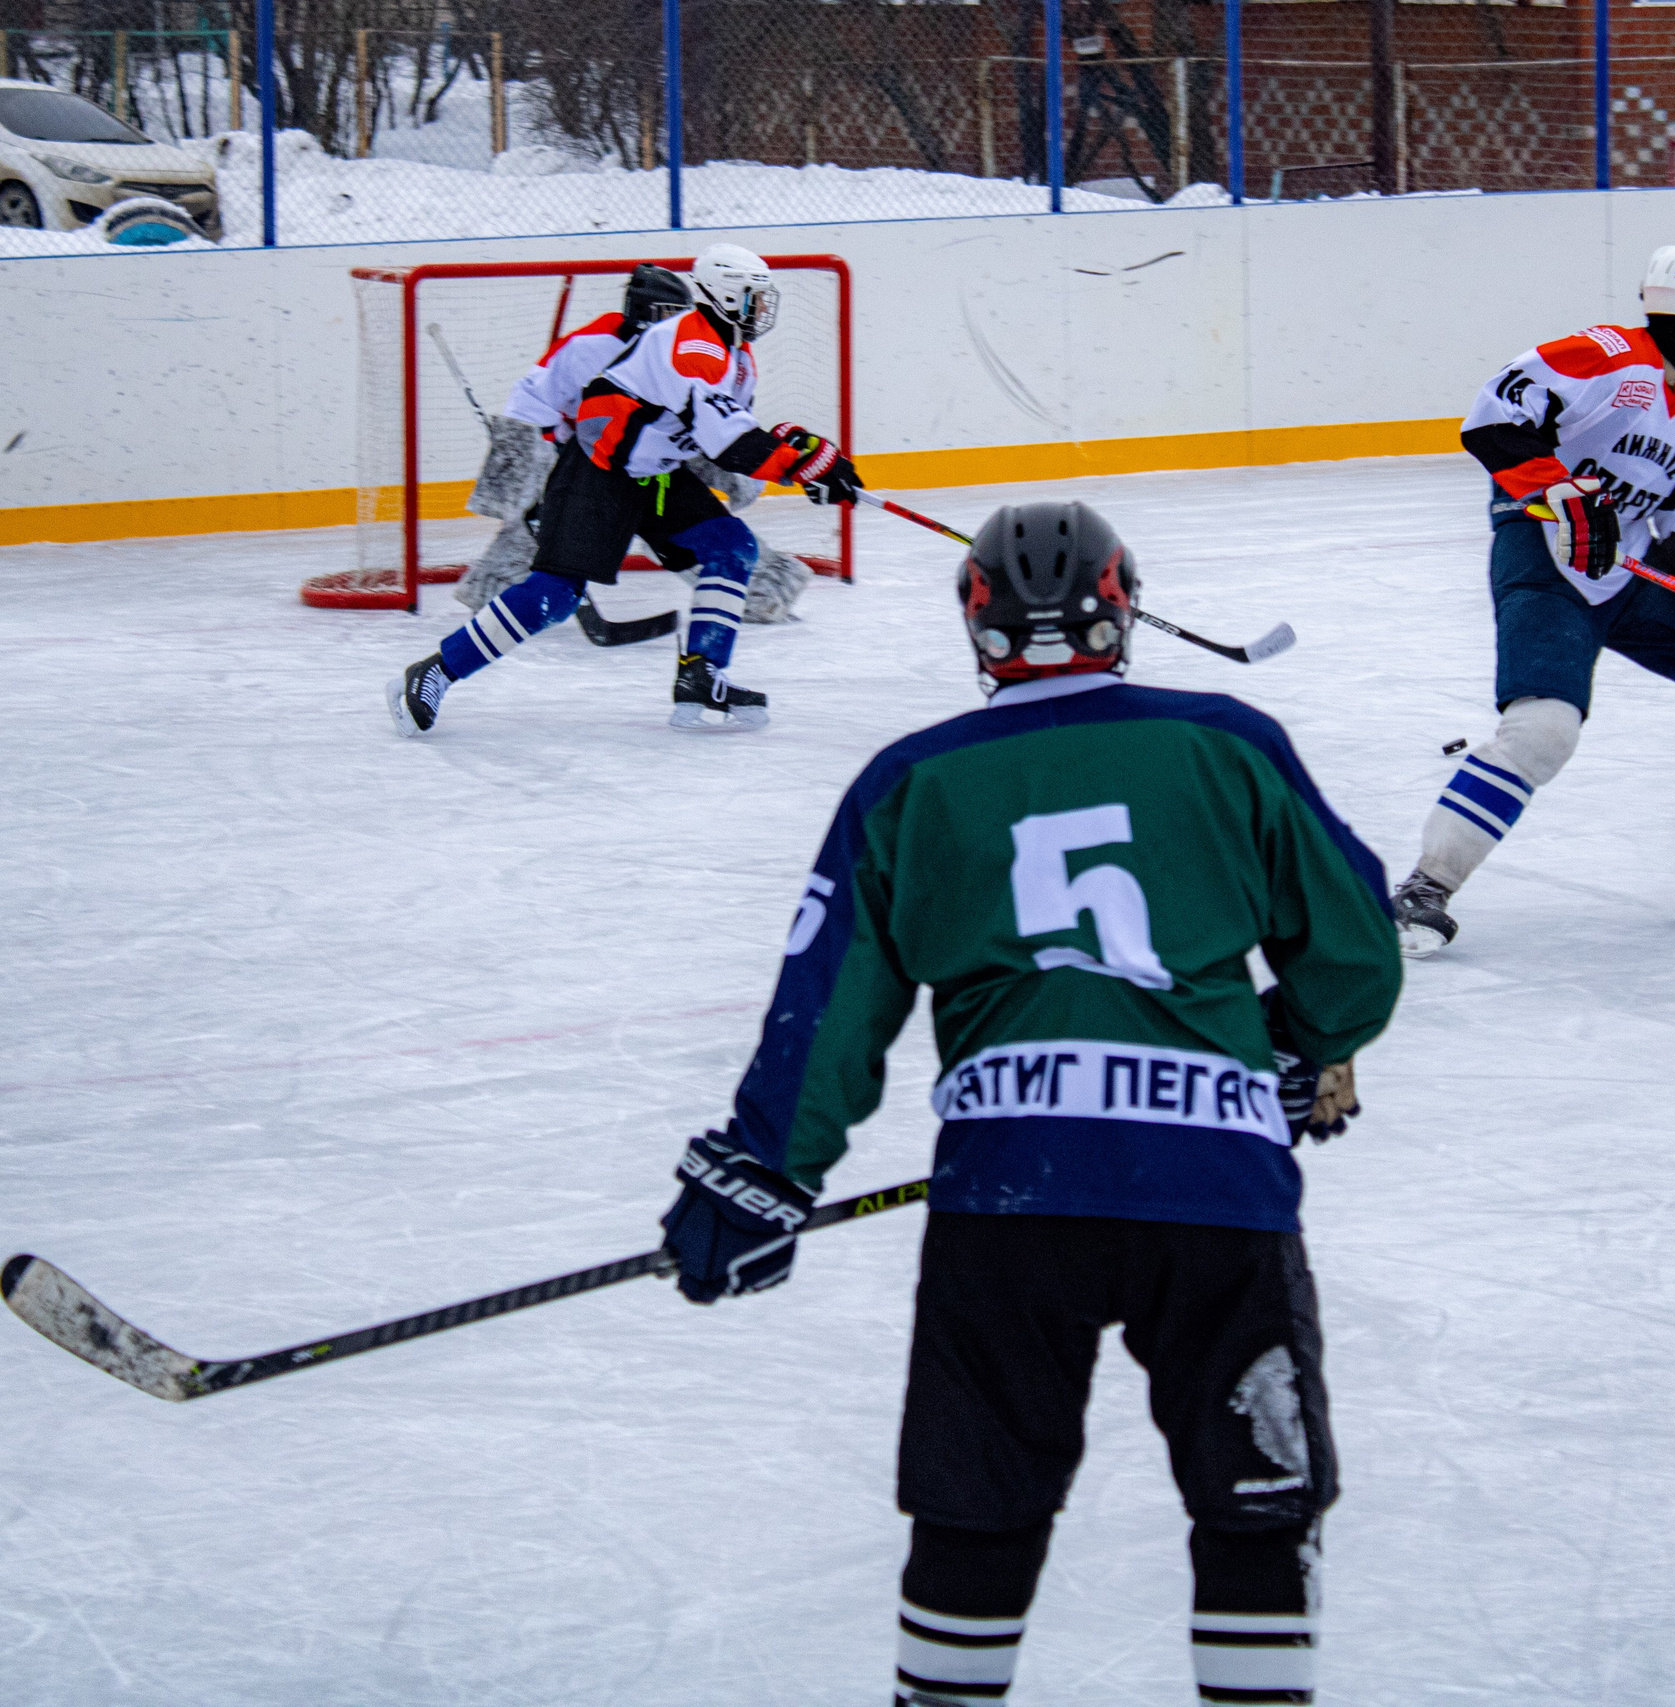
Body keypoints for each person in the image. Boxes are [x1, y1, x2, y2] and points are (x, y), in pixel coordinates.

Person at [654, 501, 1403, 1706]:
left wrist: (768, 1166)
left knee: (979, 1503)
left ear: (978, 627)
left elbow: (832, 1001)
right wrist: (1293, 1046)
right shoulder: (1228, 740)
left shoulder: (912, 778)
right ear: (1122, 614)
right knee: (1254, 1504)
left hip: (1008, 1204)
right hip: (1213, 1193)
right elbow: (1357, 951)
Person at [1388, 244, 1675, 957]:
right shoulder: (1609, 355)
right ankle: (1423, 888)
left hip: (1627, 569)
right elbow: (1493, 417)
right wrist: (1556, 489)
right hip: (1546, 559)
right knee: (1544, 729)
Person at [386, 245, 863, 738]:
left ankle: (702, 675)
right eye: (751, 298)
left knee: (731, 546)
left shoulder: (737, 357)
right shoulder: (691, 343)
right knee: (554, 595)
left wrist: (802, 455)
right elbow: (729, 441)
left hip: (657, 474)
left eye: (764, 299)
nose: (762, 310)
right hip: (600, 470)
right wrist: (799, 467)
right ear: (722, 295)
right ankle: (433, 673)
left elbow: (729, 432)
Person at [455, 263, 810, 638]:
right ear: (641, 310)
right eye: (666, 314)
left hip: (645, 451)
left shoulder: (699, 350)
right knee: (545, 514)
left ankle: (758, 588)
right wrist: (545, 463)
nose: (675, 322)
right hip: (571, 447)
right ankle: (495, 585)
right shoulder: (593, 344)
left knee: (696, 515)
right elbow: (534, 403)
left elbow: (716, 422)